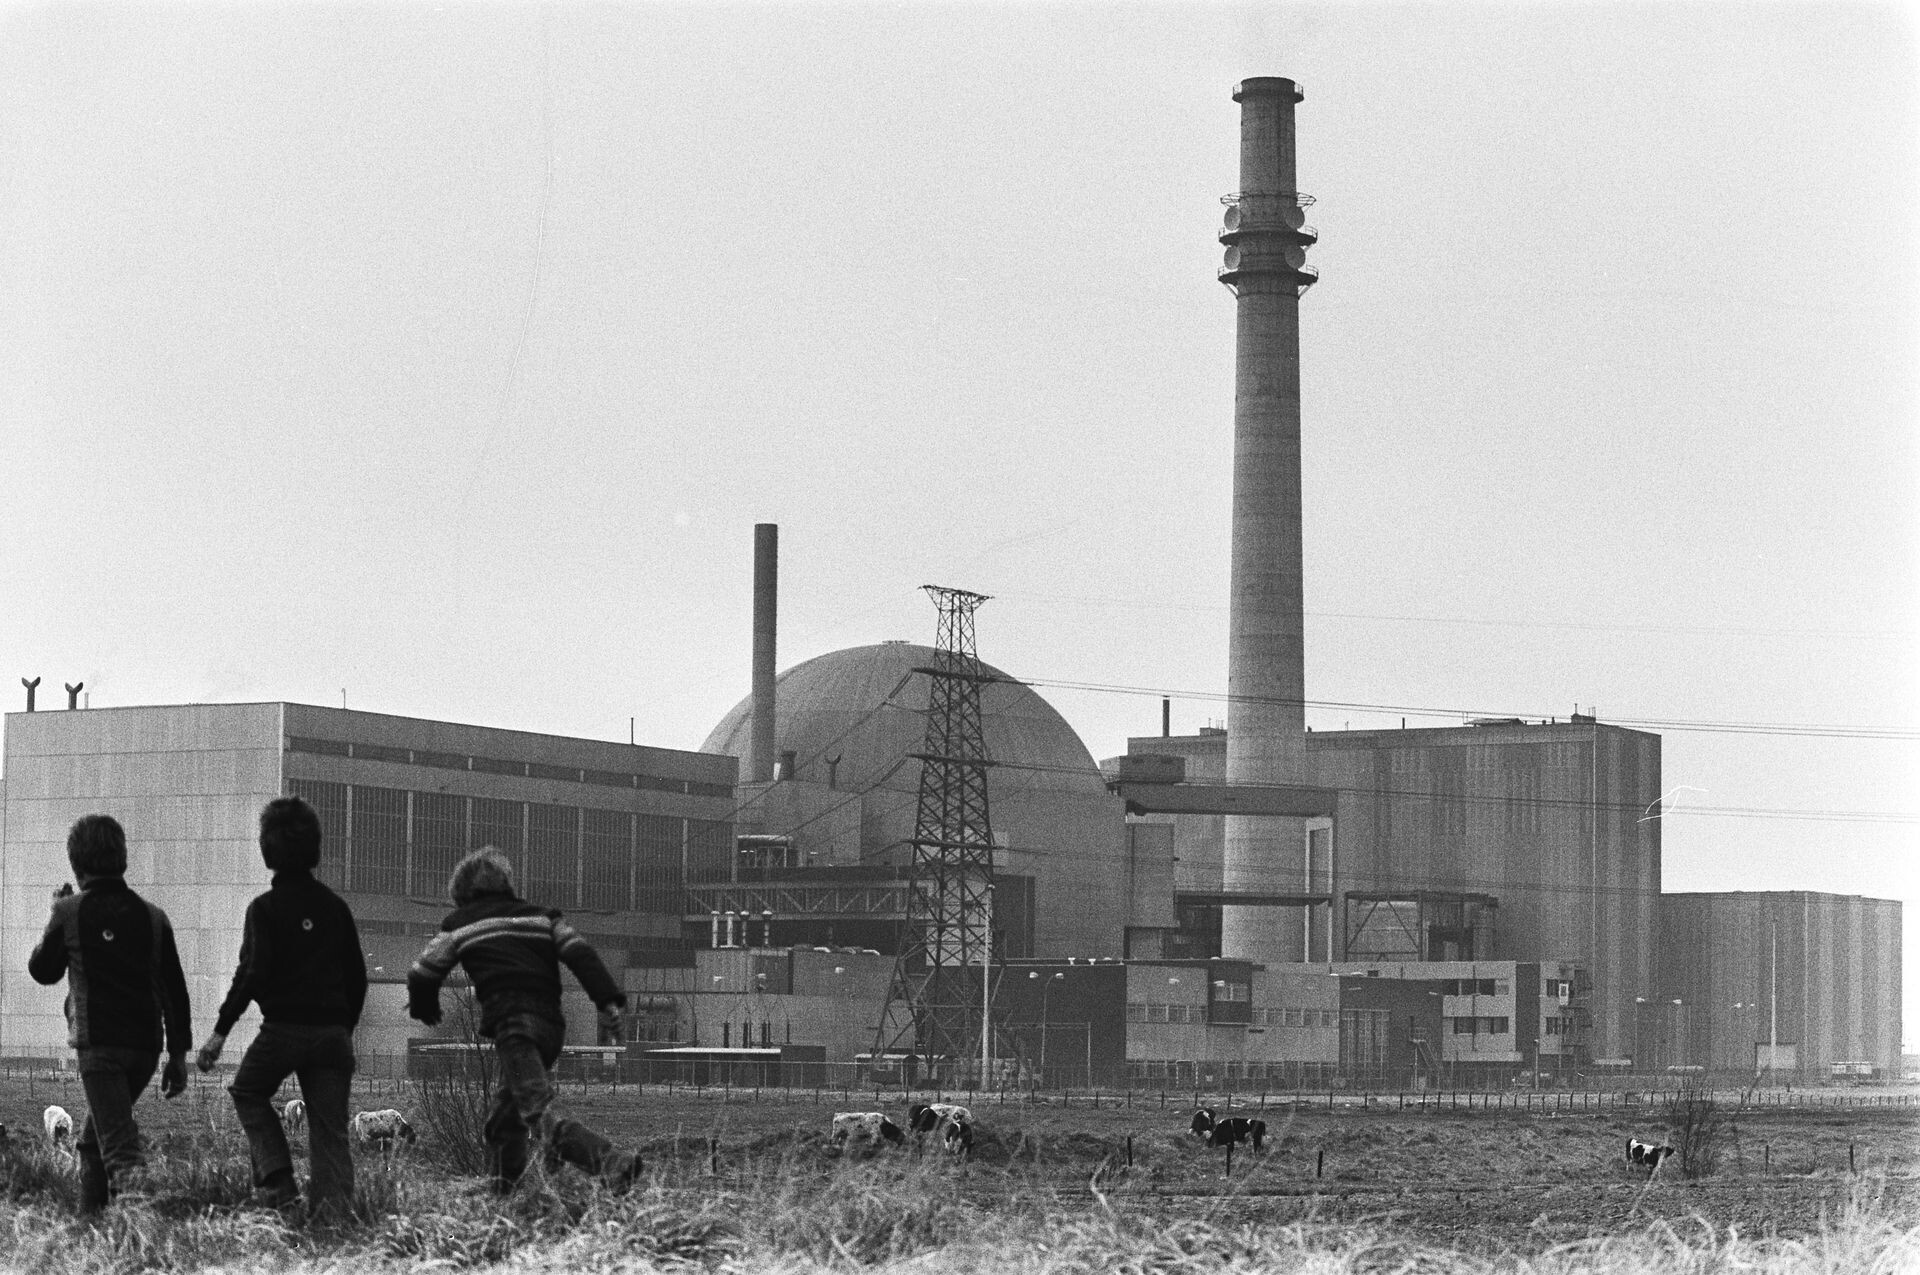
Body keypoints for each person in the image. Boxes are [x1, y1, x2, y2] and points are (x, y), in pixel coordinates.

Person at [407, 846, 640, 1193]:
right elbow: (581, 955)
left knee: (536, 1106)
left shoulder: (461, 924)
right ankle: (506, 1197)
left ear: (463, 894)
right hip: (550, 1027)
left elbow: (423, 971)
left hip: (513, 1024)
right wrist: (607, 1002)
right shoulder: (542, 918)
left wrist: (425, 1008)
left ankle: (609, 1162)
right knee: (504, 1119)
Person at [195, 796, 365, 1216]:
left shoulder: (264, 910)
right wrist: (343, 1028)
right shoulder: (336, 908)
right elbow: (357, 978)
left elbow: (251, 974)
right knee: (330, 1132)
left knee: (249, 1091)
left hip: (283, 1030)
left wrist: (219, 1034)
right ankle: (336, 1225)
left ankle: (278, 1180)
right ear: (315, 848)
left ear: (267, 850)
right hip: (332, 1036)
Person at [28, 814, 192, 1213]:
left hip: (99, 1048)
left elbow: (42, 971)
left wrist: (54, 913)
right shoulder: (154, 917)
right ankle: (91, 1226)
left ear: (76, 865)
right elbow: (175, 991)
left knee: (118, 1148)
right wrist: (178, 1057)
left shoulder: (70, 911)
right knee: (93, 1137)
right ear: (123, 859)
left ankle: (140, 1238)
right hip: (145, 1050)